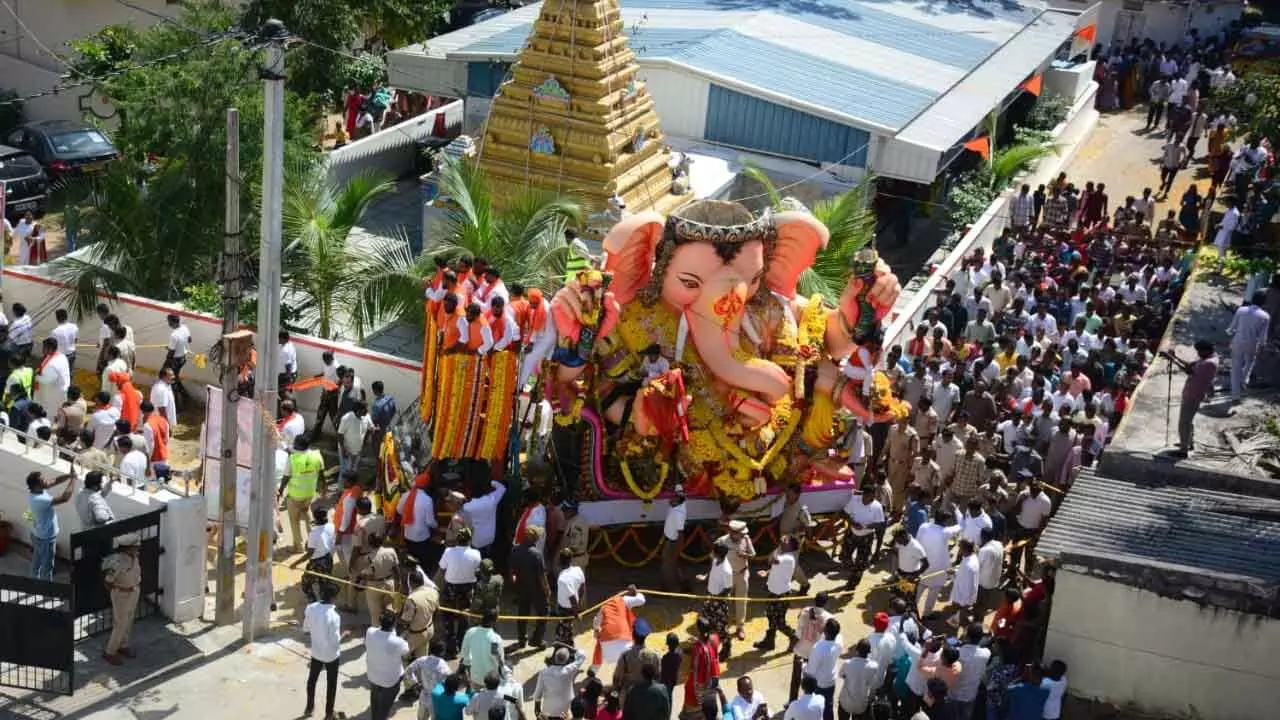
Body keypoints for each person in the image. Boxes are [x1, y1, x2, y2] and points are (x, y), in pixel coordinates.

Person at [1164, 339, 1219, 456]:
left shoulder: (1209, 363)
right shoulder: (1207, 358)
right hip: (1191, 392)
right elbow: (1190, 365)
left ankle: (1183, 450)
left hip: (1193, 394)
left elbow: (1189, 371)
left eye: (1199, 351)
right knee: (1188, 421)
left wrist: (1172, 359)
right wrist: (1175, 357)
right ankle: (1188, 442)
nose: (1198, 354)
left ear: (1206, 351)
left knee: (1184, 422)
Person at [438, 526, 483, 657]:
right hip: (467, 589)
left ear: (457, 539)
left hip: (450, 588)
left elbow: (442, 568)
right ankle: (462, 643)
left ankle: (451, 648)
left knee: (448, 618)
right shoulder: (476, 554)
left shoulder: (448, 551)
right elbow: (477, 570)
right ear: (470, 540)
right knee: (464, 617)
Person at [278, 436, 326, 553]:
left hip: (295, 495)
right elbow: (321, 474)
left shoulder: (293, 458)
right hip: (310, 492)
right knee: (306, 513)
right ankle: (312, 543)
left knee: (294, 521)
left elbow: (286, 477)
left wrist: (280, 491)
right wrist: (323, 487)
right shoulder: (317, 455)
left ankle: (297, 547)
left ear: (298, 446)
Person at [101, 532, 142, 665]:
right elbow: (107, 582)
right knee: (120, 623)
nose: (137, 549)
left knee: (129, 620)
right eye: (135, 547)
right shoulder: (117, 562)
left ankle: (123, 645)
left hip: (134, 590)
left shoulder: (134, 557)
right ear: (126, 548)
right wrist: (121, 589)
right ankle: (110, 652)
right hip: (122, 594)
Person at [303, 583, 343, 719]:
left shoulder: (310, 608)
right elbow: (335, 641)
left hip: (316, 652)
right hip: (331, 655)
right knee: (331, 684)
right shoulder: (334, 616)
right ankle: (329, 713)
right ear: (334, 597)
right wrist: (345, 635)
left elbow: (306, 629)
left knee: (312, 680)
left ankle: (309, 708)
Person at [27, 470, 75, 580]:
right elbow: (65, 498)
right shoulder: (41, 499)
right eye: (43, 480)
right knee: (47, 566)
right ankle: (47, 591)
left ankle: (33, 581)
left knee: (37, 559)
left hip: (36, 533)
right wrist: (73, 480)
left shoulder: (34, 492)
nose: (47, 480)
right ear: (37, 485)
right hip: (45, 538)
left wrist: (69, 475)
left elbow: (54, 481)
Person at [509, 524, 550, 648]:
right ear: (535, 539)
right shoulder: (536, 554)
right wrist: (547, 590)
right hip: (536, 590)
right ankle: (537, 640)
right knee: (543, 614)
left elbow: (511, 571)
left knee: (522, 614)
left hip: (522, 589)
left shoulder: (515, 550)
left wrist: (515, 584)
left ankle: (522, 640)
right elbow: (541, 576)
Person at [755, 534, 799, 650]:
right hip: (774, 591)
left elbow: (772, 559)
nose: (783, 540)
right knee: (771, 616)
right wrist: (767, 572)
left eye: (786, 540)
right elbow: (776, 566)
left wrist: (779, 545)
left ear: (790, 545)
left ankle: (793, 636)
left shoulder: (788, 557)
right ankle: (769, 642)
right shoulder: (784, 556)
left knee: (779, 622)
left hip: (780, 594)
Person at [1226, 291, 1271, 403]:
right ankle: (1244, 379)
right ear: (1264, 302)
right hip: (1251, 343)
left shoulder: (1241, 310)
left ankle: (1235, 396)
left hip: (1238, 341)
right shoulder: (1265, 316)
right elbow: (1262, 337)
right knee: (1250, 362)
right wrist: (1262, 347)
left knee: (1235, 368)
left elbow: (1231, 327)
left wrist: (1230, 334)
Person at [592, 585, 649, 672]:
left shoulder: (603, 607)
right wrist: (635, 592)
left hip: (608, 650)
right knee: (637, 634)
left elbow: (596, 621)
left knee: (599, 642)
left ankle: (594, 669)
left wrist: (596, 631)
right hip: (625, 644)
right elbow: (642, 600)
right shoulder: (623, 599)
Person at [367, 609, 411, 720]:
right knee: (384, 707)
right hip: (390, 680)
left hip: (373, 676)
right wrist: (402, 634)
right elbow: (406, 650)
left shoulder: (370, 632)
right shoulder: (397, 642)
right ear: (394, 624)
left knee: (375, 701)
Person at [533, 645, 587, 720]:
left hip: (548, 711)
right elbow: (582, 655)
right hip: (564, 712)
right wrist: (571, 648)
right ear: (567, 660)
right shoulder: (569, 670)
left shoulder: (543, 673)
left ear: (554, 658)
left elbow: (538, 693)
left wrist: (537, 710)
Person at [722, 519, 755, 638]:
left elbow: (753, 554)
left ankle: (740, 627)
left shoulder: (746, 539)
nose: (742, 535)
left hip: (742, 574)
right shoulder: (723, 541)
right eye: (740, 534)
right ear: (732, 533)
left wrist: (745, 555)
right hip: (728, 576)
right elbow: (714, 556)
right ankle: (723, 626)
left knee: (741, 601)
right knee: (724, 600)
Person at [805, 618, 842, 720]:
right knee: (828, 706)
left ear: (825, 631)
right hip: (831, 681)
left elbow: (811, 670)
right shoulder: (839, 641)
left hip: (820, 684)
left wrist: (804, 668)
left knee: (817, 708)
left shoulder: (818, 648)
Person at [408, 640, 451, 720]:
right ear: (442, 652)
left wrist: (415, 683)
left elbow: (408, 671)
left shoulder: (422, 660)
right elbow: (450, 682)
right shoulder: (444, 666)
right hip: (437, 699)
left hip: (423, 694)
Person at [459, 610, 504, 686]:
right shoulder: (495, 639)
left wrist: (469, 666)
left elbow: (464, 653)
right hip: (491, 682)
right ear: (495, 621)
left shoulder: (471, 632)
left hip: (475, 677)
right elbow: (499, 661)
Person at [836, 639, 877, 720]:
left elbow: (841, 675)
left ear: (857, 650)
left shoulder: (847, 663)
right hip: (860, 705)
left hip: (845, 703)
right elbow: (871, 683)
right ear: (869, 652)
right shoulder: (874, 667)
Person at [554, 547, 586, 645]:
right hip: (573, 606)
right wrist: (579, 603)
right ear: (571, 559)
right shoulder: (578, 570)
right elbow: (582, 588)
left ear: (559, 560)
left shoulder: (562, 578)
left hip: (566, 608)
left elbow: (572, 598)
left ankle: (567, 646)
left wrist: (576, 613)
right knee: (567, 626)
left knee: (564, 629)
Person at [162, 313, 193, 408]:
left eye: (169, 322)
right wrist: (176, 346)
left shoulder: (174, 335)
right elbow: (189, 340)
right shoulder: (185, 328)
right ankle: (185, 396)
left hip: (175, 360)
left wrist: (166, 364)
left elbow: (171, 352)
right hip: (183, 358)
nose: (168, 324)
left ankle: (177, 406)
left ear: (173, 322)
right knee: (175, 379)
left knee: (172, 382)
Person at [661, 484, 688, 590]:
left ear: (677, 499)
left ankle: (667, 588)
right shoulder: (676, 506)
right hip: (670, 540)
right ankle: (683, 584)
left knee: (667, 566)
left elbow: (681, 533)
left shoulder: (678, 514)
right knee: (674, 565)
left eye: (673, 497)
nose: (670, 499)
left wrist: (679, 549)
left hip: (673, 542)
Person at [337, 400, 373, 478]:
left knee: (354, 471)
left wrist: (365, 442)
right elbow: (340, 434)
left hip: (358, 451)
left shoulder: (366, 416)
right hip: (346, 450)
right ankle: (341, 488)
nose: (367, 411)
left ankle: (351, 487)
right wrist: (343, 449)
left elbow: (370, 428)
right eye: (365, 409)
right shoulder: (346, 418)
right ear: (358, 410)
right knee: (345, 472)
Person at [1212, 196, 1240, 261]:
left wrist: (1222, 227)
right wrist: (1219, 225)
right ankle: (1219, 265)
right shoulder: (1229, 210)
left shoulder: (1235, 213)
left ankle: (1220, 266)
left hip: (1226, 234)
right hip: (1222, 233)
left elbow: (1233, 226)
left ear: (1231, 202)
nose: (1226, 204)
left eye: (1227, 202)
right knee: (1220, 250)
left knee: (1223, 251)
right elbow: (1225, 221)